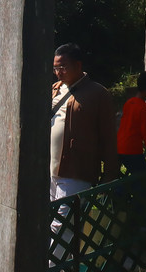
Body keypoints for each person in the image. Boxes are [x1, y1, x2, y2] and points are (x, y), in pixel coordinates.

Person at [50, 43, 119, 199]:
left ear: (78, 65)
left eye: (62, 68)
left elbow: (108, 136)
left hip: (76, 171)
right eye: (55, 69)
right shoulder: (55, 89)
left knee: (64, 221)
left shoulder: (98, 93)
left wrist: (110, 173)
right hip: (49, 170)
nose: (58, 73)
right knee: (49, 218)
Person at [116, 71, 146, 174]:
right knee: (141, 180)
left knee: (123, 180)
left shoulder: (129, 103)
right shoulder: (144, 108)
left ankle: (119, 190)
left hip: (120, 147)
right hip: (133, 150)